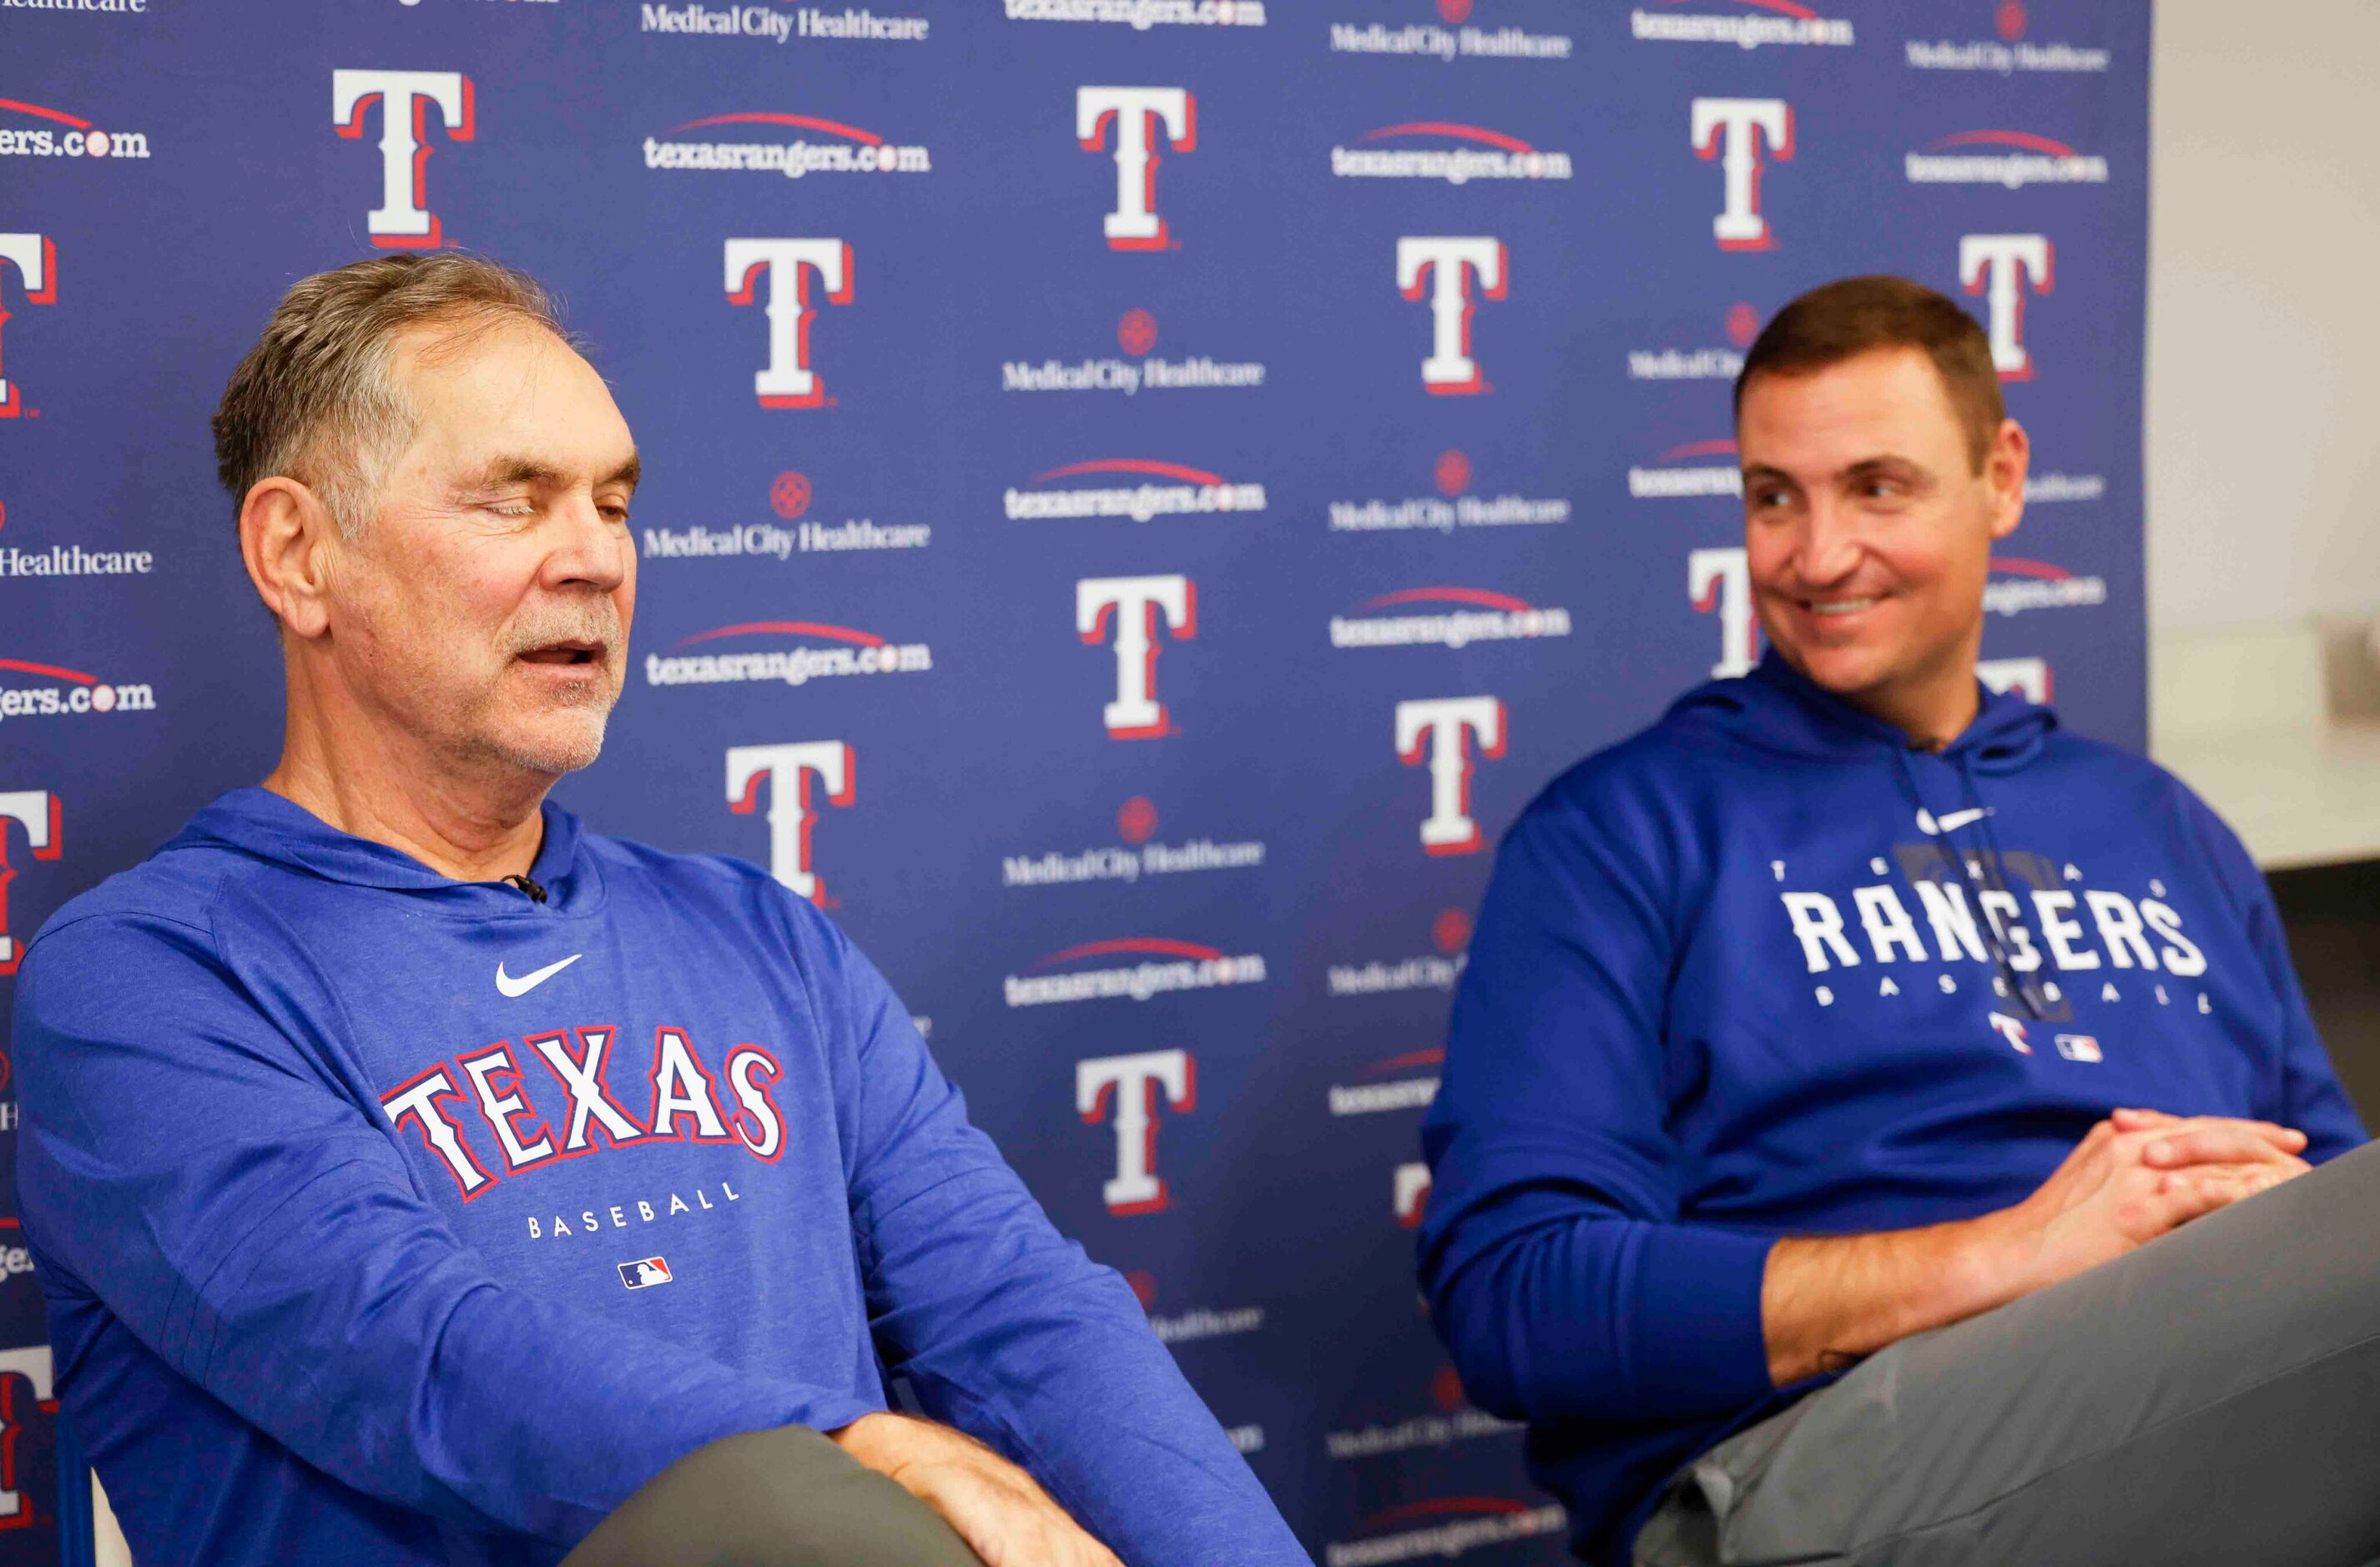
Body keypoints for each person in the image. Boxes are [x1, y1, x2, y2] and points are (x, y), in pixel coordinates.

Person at [11, 254, 1312, 1567]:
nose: (593, 558)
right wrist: (857, 1446)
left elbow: (1020, 1314)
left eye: (615, 504)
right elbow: (419, 1353)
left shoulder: (758, 933)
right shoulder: (147, 980)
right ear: (299, 554)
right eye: (512, 503)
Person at [1418, 275, 2377, 1567]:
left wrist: (2254, 1244)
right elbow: (1518, 1293)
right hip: (1807, 1471)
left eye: (1877, 486)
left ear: (2003, 477)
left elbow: (2331, 1201)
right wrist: (2007, 1255)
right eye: (1774, 497)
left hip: (2186, 1419)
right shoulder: (1621, 832)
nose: (1815, 557)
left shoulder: (2160, 825)